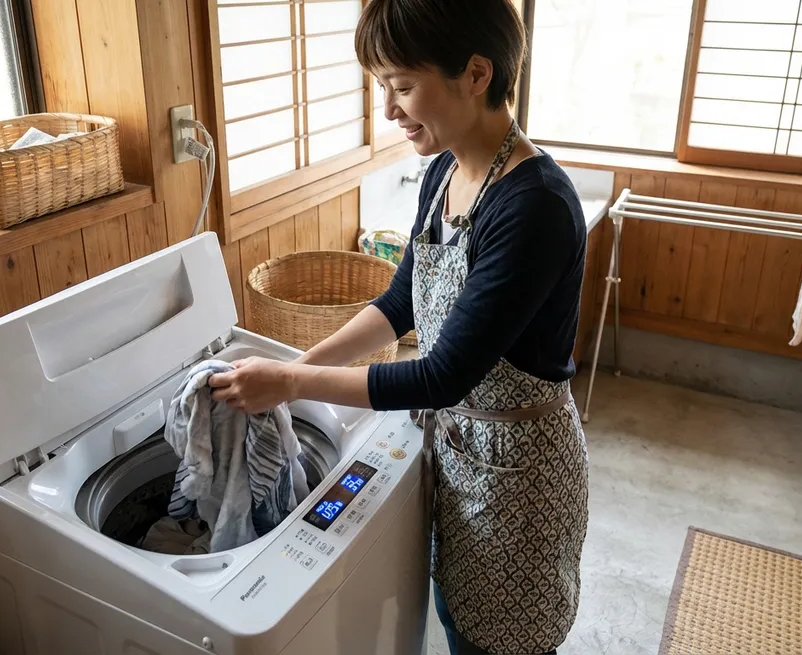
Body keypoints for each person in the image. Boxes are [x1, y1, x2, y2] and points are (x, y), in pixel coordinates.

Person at [209, 0, 589, 652]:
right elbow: (399, 303)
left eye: (403, 86)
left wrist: (293, 385)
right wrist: (297, 369)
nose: (388, 109)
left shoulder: (535, 207)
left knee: (496, 640)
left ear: (476, 73)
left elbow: (442, 375)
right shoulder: (443, 172)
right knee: (455, 619)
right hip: (456, 449)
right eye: (382, 86)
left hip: (517, 477)